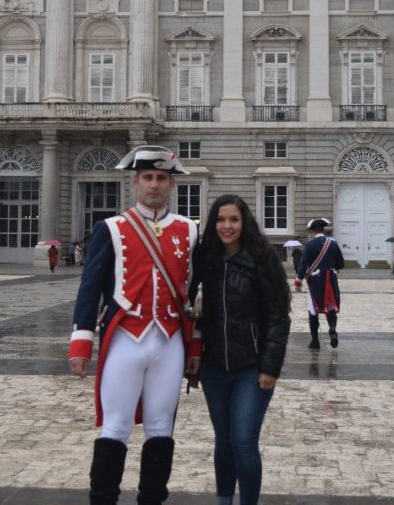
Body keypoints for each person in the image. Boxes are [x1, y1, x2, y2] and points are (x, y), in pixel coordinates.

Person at [68, 145, 196, 505]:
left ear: (171, 185)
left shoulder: (189, 231)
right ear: (135, 182)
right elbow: (89, 288)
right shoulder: (110, 228)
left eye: (161, 178)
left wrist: (196, 347)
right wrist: (81, 343)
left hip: (169, 341)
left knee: (161, 428)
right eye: (147, 178)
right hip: (125, 337)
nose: (154, 185)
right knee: (115, 426)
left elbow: (194, 295)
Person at [186, 195, 290, 505]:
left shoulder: (261, 258)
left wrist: (270, 367)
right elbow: (192, 313)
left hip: (252, 367)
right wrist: (191, 360)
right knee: (223, 443)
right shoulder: (205, 260)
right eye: (220, 219)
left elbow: (278, 317)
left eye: (233, 219)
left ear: (244, 222)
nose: (227, 226)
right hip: (214, 366)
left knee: (244, 443)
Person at [295, 218, 343, 349]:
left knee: (313, 310)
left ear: (312, 231)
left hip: (315, 282)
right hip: (331, 280)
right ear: (323, 230)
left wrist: (298, 281)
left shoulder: (310, 245)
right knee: (331, 308)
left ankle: (315, 341)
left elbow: (303, 265)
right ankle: (332, 328)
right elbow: (341, 263)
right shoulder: (333, 244)